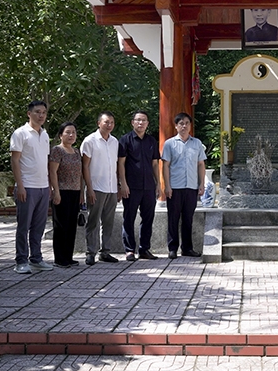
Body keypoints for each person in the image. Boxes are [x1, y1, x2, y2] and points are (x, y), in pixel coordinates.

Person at [9, 100, 53, 274]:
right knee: (23, 226)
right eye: (37, 112)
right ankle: (21, 260)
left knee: (39, 226)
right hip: (27, 186)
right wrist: (20, 186)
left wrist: (49, 185)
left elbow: (45, 161)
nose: (41, 115)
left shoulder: (45, 135)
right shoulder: (20, 133)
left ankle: (36, 258)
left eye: (43, 112)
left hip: (43, 187)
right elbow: (15, 160)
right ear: (29, 114)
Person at [161, 112, 206, 259]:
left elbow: (201, 164)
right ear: (176, 126)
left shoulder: (197, 143)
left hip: (191, 187)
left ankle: (187, 248)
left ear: (190, 125)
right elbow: (165, 166)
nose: (184, 126)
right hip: (175, 187)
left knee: (188, 218)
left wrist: (202, 184)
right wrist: (167, 186)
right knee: (173, 218)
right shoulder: (169, 144)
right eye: (181, 123)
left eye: (187, 123)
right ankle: (172, 248)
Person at [118, 110, 161, 261]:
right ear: (133, 122)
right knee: (129, 217)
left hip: (149, 186)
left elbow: (155, 164)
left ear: (148, 123)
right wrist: (123, 183)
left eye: (144, 120)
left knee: (148, 218)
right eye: (138, 120)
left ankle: (144, 249)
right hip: (131, 186)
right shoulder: (125, 140)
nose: (141, 123)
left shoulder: (151, 141)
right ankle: (129, 250)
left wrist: (158, 184)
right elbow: (121, 164)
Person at [81, 111, 122, 266]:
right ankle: (90, 252)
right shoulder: (90, 141)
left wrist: (118, 186)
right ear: (99, 123)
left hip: (111, 187)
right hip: (96, 187)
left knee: (108, 221)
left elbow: (116, 166)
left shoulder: (114, 142)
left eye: (112, 122)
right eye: (106, 122)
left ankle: (105, 252)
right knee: (93, 221)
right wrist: (89, 189)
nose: (109, 124)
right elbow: (85, 166)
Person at [48, 122, 83, 268]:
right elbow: (52, 172)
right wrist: (55, 191)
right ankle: (59, 258)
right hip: (61, 191)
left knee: (71, 225)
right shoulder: (57, 150)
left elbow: (80, 174)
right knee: (61, 225)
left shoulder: (76, 152)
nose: (71, 135)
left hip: (75, 191)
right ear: (61, 134)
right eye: (67, 132)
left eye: (73, 132)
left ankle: (69, 256)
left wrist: (82, 192)